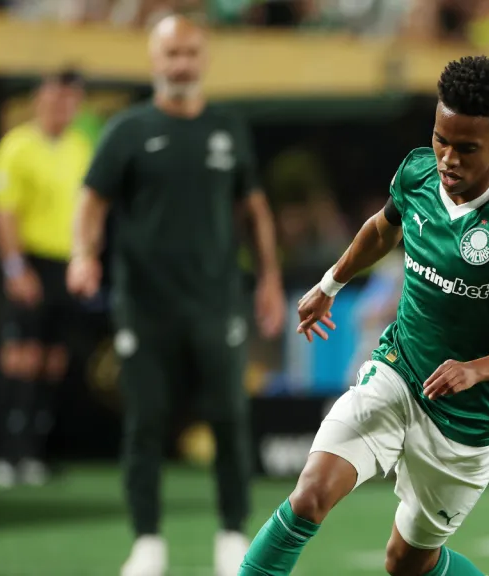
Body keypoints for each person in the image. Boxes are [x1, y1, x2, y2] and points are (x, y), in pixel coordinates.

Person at [238, 55, 489, 576]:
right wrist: (331, 283)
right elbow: (381, 229)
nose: (448, 159)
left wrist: (475, 368)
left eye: (467, 148)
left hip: (470, 421)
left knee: (406, 563)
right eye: (442, 139)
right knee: (309, 497)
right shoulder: (417, 170)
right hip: (397, 373)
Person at [66, 16, 285, 576]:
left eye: (189, 53)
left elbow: (253, 209)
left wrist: (267, 279)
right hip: (144, 304)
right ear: (154, 60)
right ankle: (147, 544)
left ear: (203, 57)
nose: (181, 64)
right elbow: (92, 202)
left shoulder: (228, 128)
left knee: (229, 419)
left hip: (216, 302)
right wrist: (83, 256)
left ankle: (233, 537)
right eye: (171, 54)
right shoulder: (128, 130)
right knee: (144, 421)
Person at [0, 69, 91, 489]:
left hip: (65, 265)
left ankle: (34, 455)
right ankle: (4, 456)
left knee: (52, 362)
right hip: (29, 261)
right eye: (53, 99)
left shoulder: (80, 148)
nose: (60, 108)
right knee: (20, 358)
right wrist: (15, 268)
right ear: (38, 101)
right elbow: (3, 212)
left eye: (68, 101)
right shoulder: (16, 147)